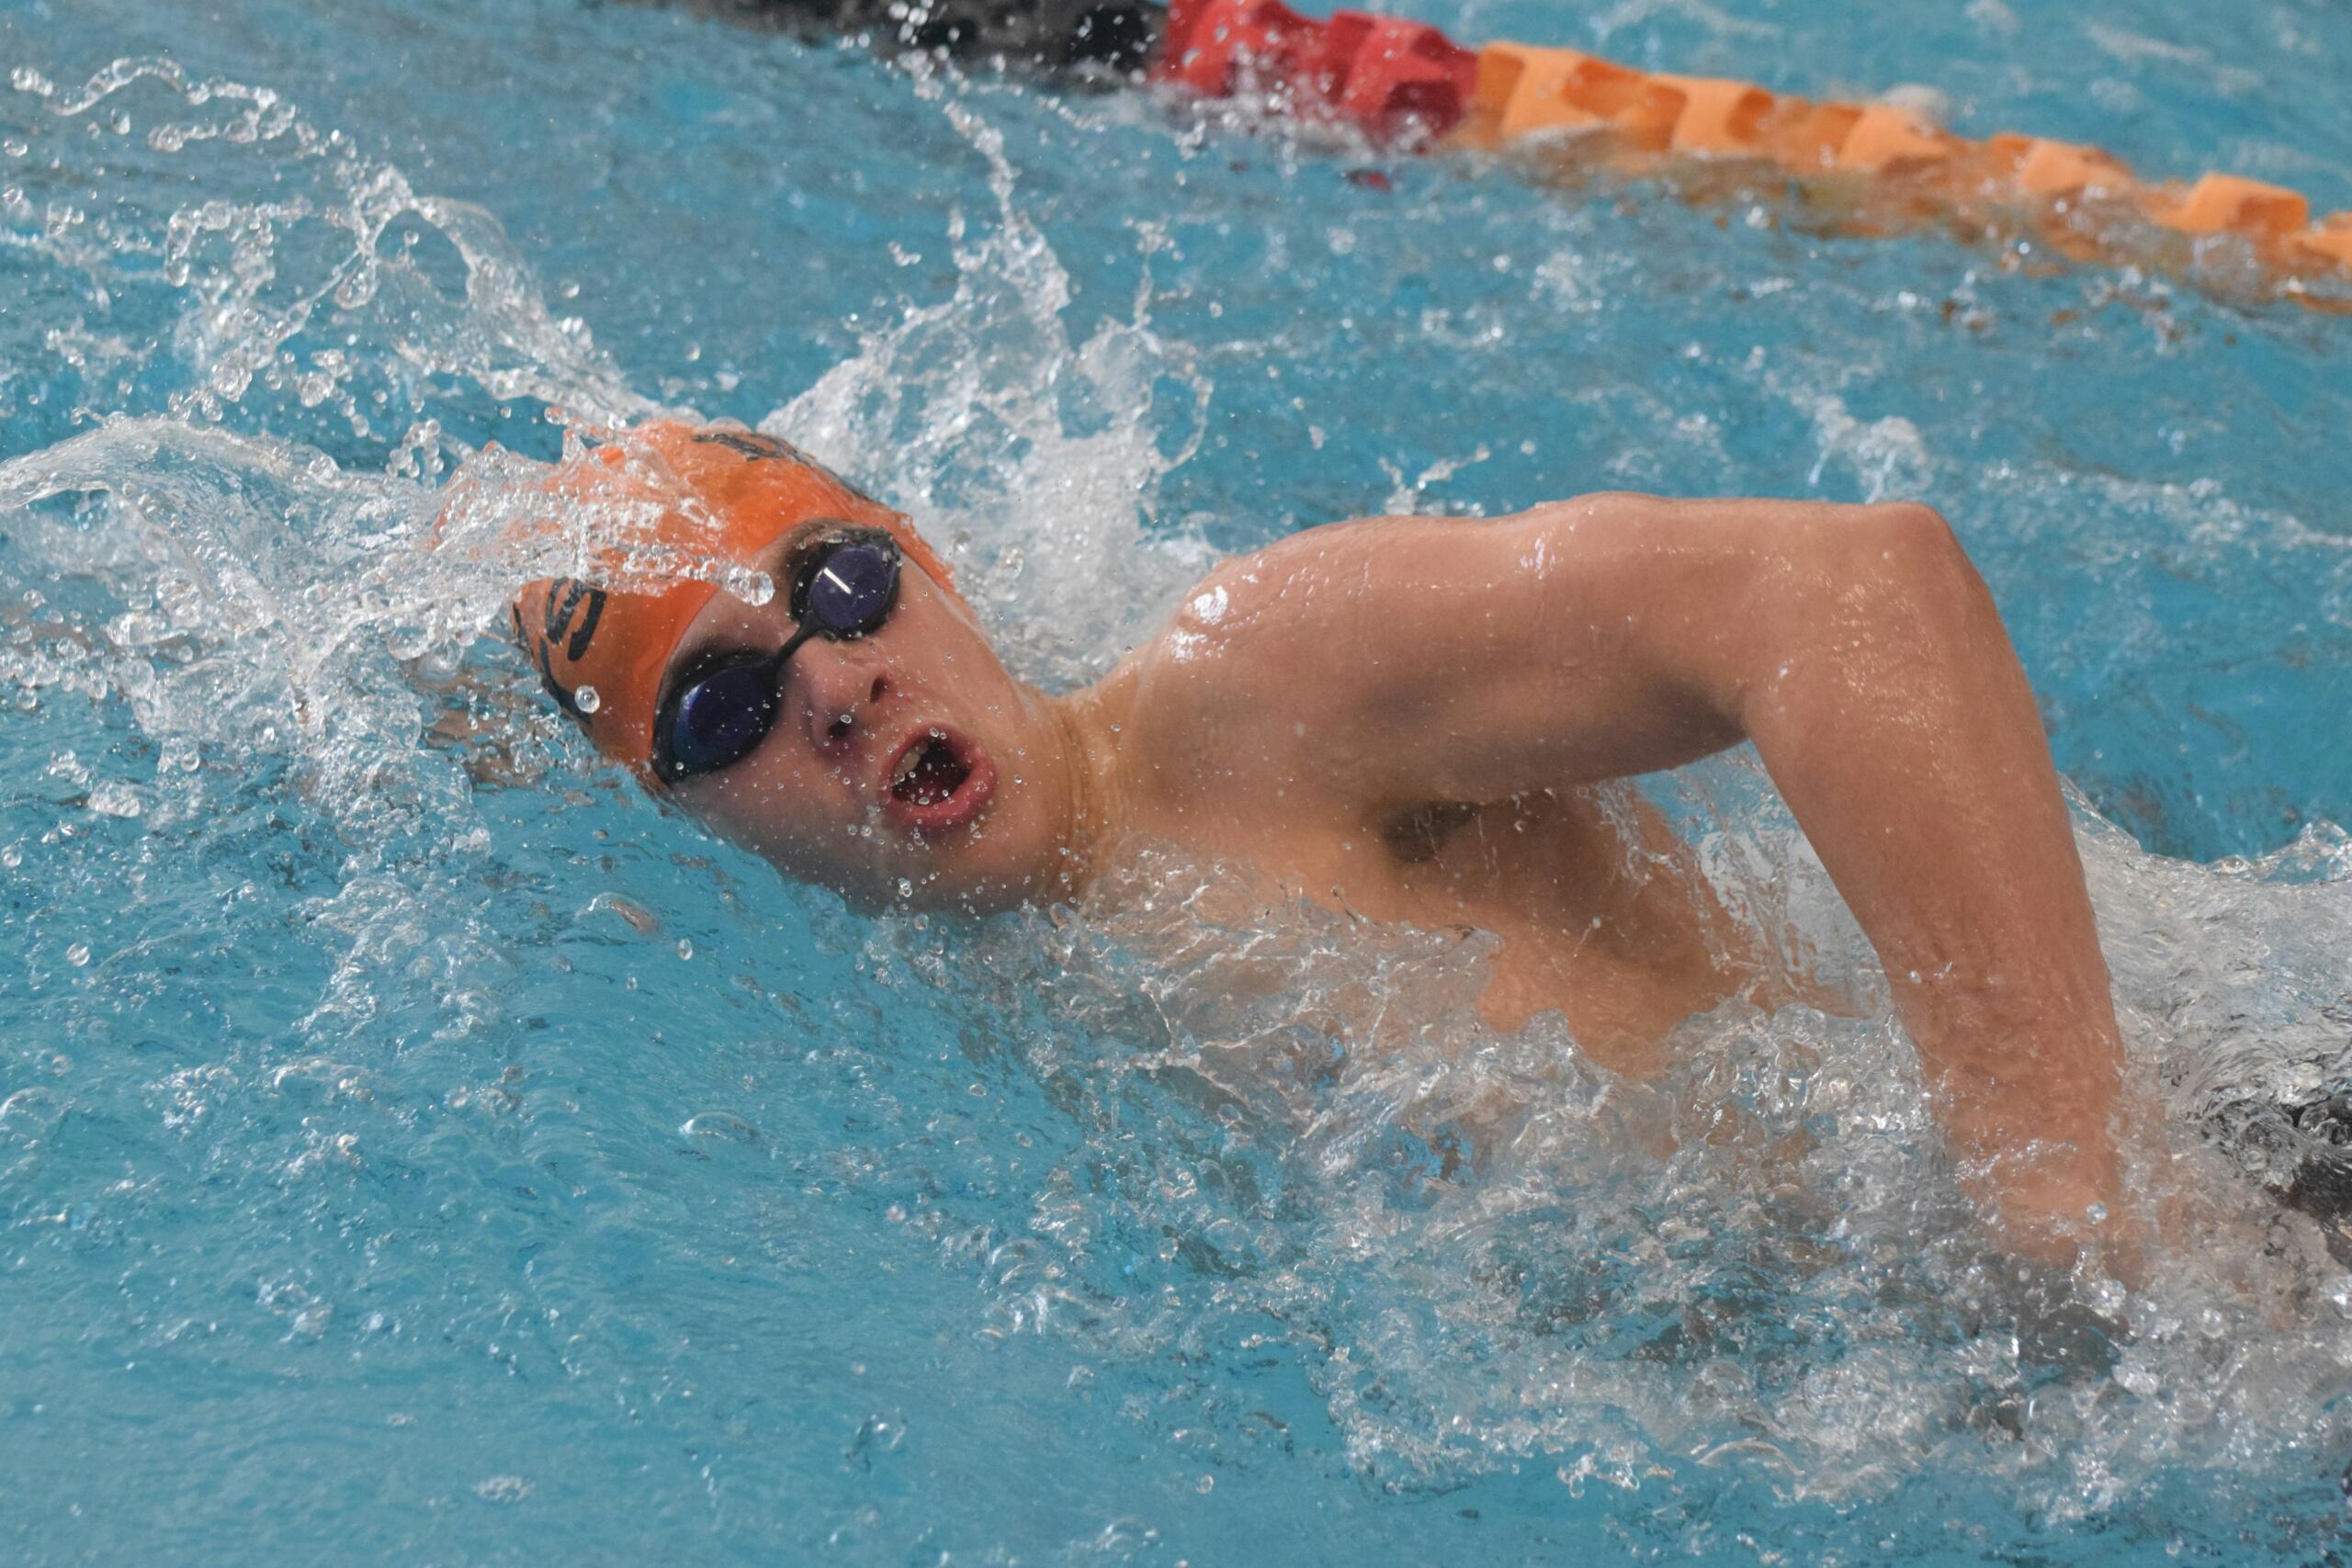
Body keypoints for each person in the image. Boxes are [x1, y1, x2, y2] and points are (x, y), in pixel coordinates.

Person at [481, 417, 2129, 1265]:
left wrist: (2048, 1180)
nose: (833, 682)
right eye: (720, 710)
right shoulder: (935, 1025)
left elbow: (1856, 589)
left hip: (2228, 1277)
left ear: (937, 565)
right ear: (690, 821)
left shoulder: (1252, 695)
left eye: (840, 584)